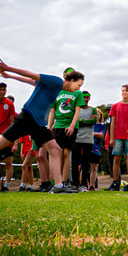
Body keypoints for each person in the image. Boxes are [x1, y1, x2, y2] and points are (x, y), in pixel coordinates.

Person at [0, 60, 84, 193]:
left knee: (55, 149)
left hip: (38, 122)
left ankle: (58, 186)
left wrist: (9, 76)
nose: (78, 89)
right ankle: (58, 185)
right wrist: (8, 69)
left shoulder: (57, 89)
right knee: (3, 142)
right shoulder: (56, 82)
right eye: (78, 85)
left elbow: (30, 81)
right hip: (28, 117)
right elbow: (32, 75)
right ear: (71, 80)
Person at [48, 68, 85, 190]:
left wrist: (72, 126)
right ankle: (56, 182)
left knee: (66, 153)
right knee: (57, 153)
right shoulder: (57, 92)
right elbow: (52, 110)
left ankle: (65, 181)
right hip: (58, 126)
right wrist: (49, 127)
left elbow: (77, 110)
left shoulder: (77, 93)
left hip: (70, 126)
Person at [106, 85, 128, 191]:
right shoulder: (115, 106)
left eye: (126, 91)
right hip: (117, 136)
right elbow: (112, 122)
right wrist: (111, 138)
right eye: (123, 91)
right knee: (116, 159)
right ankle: (115, 182)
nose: (124, 92)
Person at [72, 91, 97, 192]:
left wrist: (81, 121)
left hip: (88, 140)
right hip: (76, 139)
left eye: (87, 98)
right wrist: (81, 122)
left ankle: (83, 184)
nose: (86, 99)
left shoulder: (93, 110)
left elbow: (94, 121)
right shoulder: (75, 109)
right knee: (75, 163)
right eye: (84, 97)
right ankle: (74, 184)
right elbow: (73, 121)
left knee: (86, 164)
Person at [0, 84, 17, 191]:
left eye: (3, 90)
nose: (2, 92)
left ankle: (6, 185)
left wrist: (14, 142)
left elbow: (12, 123)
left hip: (7, 138)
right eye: (0, 90)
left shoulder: (9, 104)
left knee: (8, 163)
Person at [90, 109, 105, 191]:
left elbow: (101, 135)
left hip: (96, 149)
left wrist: (92, 134)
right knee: (84, 167)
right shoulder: (90, 125)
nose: (97, 115)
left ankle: (92, 185)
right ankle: (84, 184)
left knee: (94, 168)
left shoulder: (102, 126)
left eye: (99, 114)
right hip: (88, 147)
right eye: (96, 114)